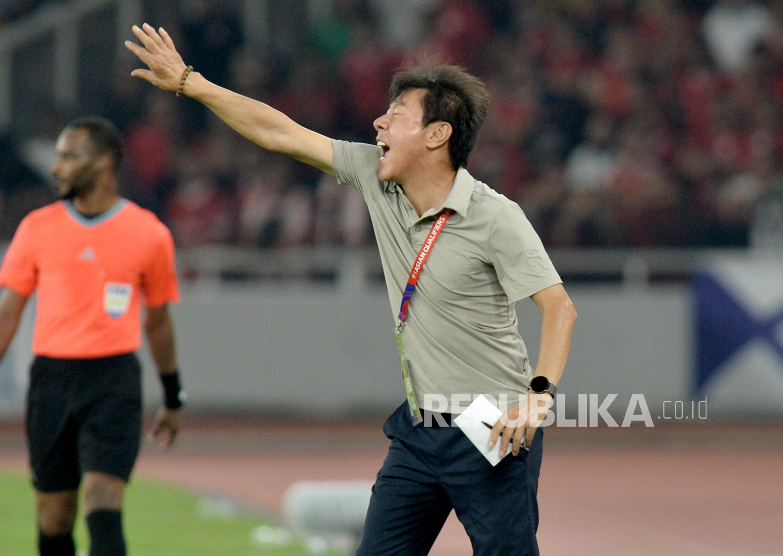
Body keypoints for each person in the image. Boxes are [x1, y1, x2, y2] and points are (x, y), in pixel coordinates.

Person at [126, 23, 577, 555]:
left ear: (437, 135)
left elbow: (558, 308)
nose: (378, 122)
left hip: (495, 428)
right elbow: (280, 133)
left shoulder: (495, 216)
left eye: (397, 115)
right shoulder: (375, 176)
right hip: (420, 430)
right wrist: (190, 82)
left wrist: (536, 399)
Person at [0, 117, 185, 556]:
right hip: (51, 383)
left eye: (67, 156)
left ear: (102, 166)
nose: (56, 167)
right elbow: (7, 315)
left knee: (103, 503)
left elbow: (157, 323)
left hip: (113, 382)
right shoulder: (37, 228)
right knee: (54, 517)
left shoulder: (149, 234)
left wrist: (173, 398)